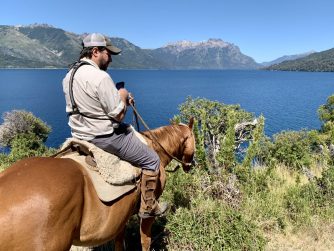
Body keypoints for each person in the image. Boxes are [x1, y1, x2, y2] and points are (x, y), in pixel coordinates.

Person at [62, 33, 167, 218]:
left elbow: (90, 106)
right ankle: (148, 207)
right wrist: (124, 95)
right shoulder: (100, 77)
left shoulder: (69, 76)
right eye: (108, 53)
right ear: (95, 51)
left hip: (79, 134)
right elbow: (118, 115)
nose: (110, 58)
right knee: (152, 160)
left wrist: (118, 97)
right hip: (104, 137)